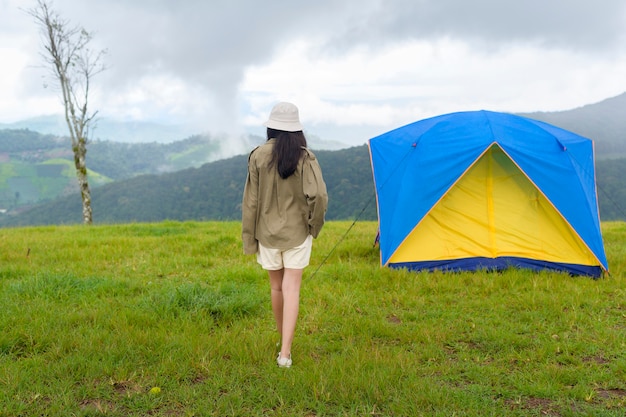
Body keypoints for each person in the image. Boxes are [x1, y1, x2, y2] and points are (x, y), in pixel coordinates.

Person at [242, 102, 328, 368]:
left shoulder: (257, 156)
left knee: (276, 287)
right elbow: (319, 196)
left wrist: (249, 239)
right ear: (297, 130)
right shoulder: (305, 157)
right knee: (292, 289)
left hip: (266, 234)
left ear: (270, 127)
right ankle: (285, 354)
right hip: (298, 233)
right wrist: (314, 226)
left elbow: (251, 203)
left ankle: (282, 340)